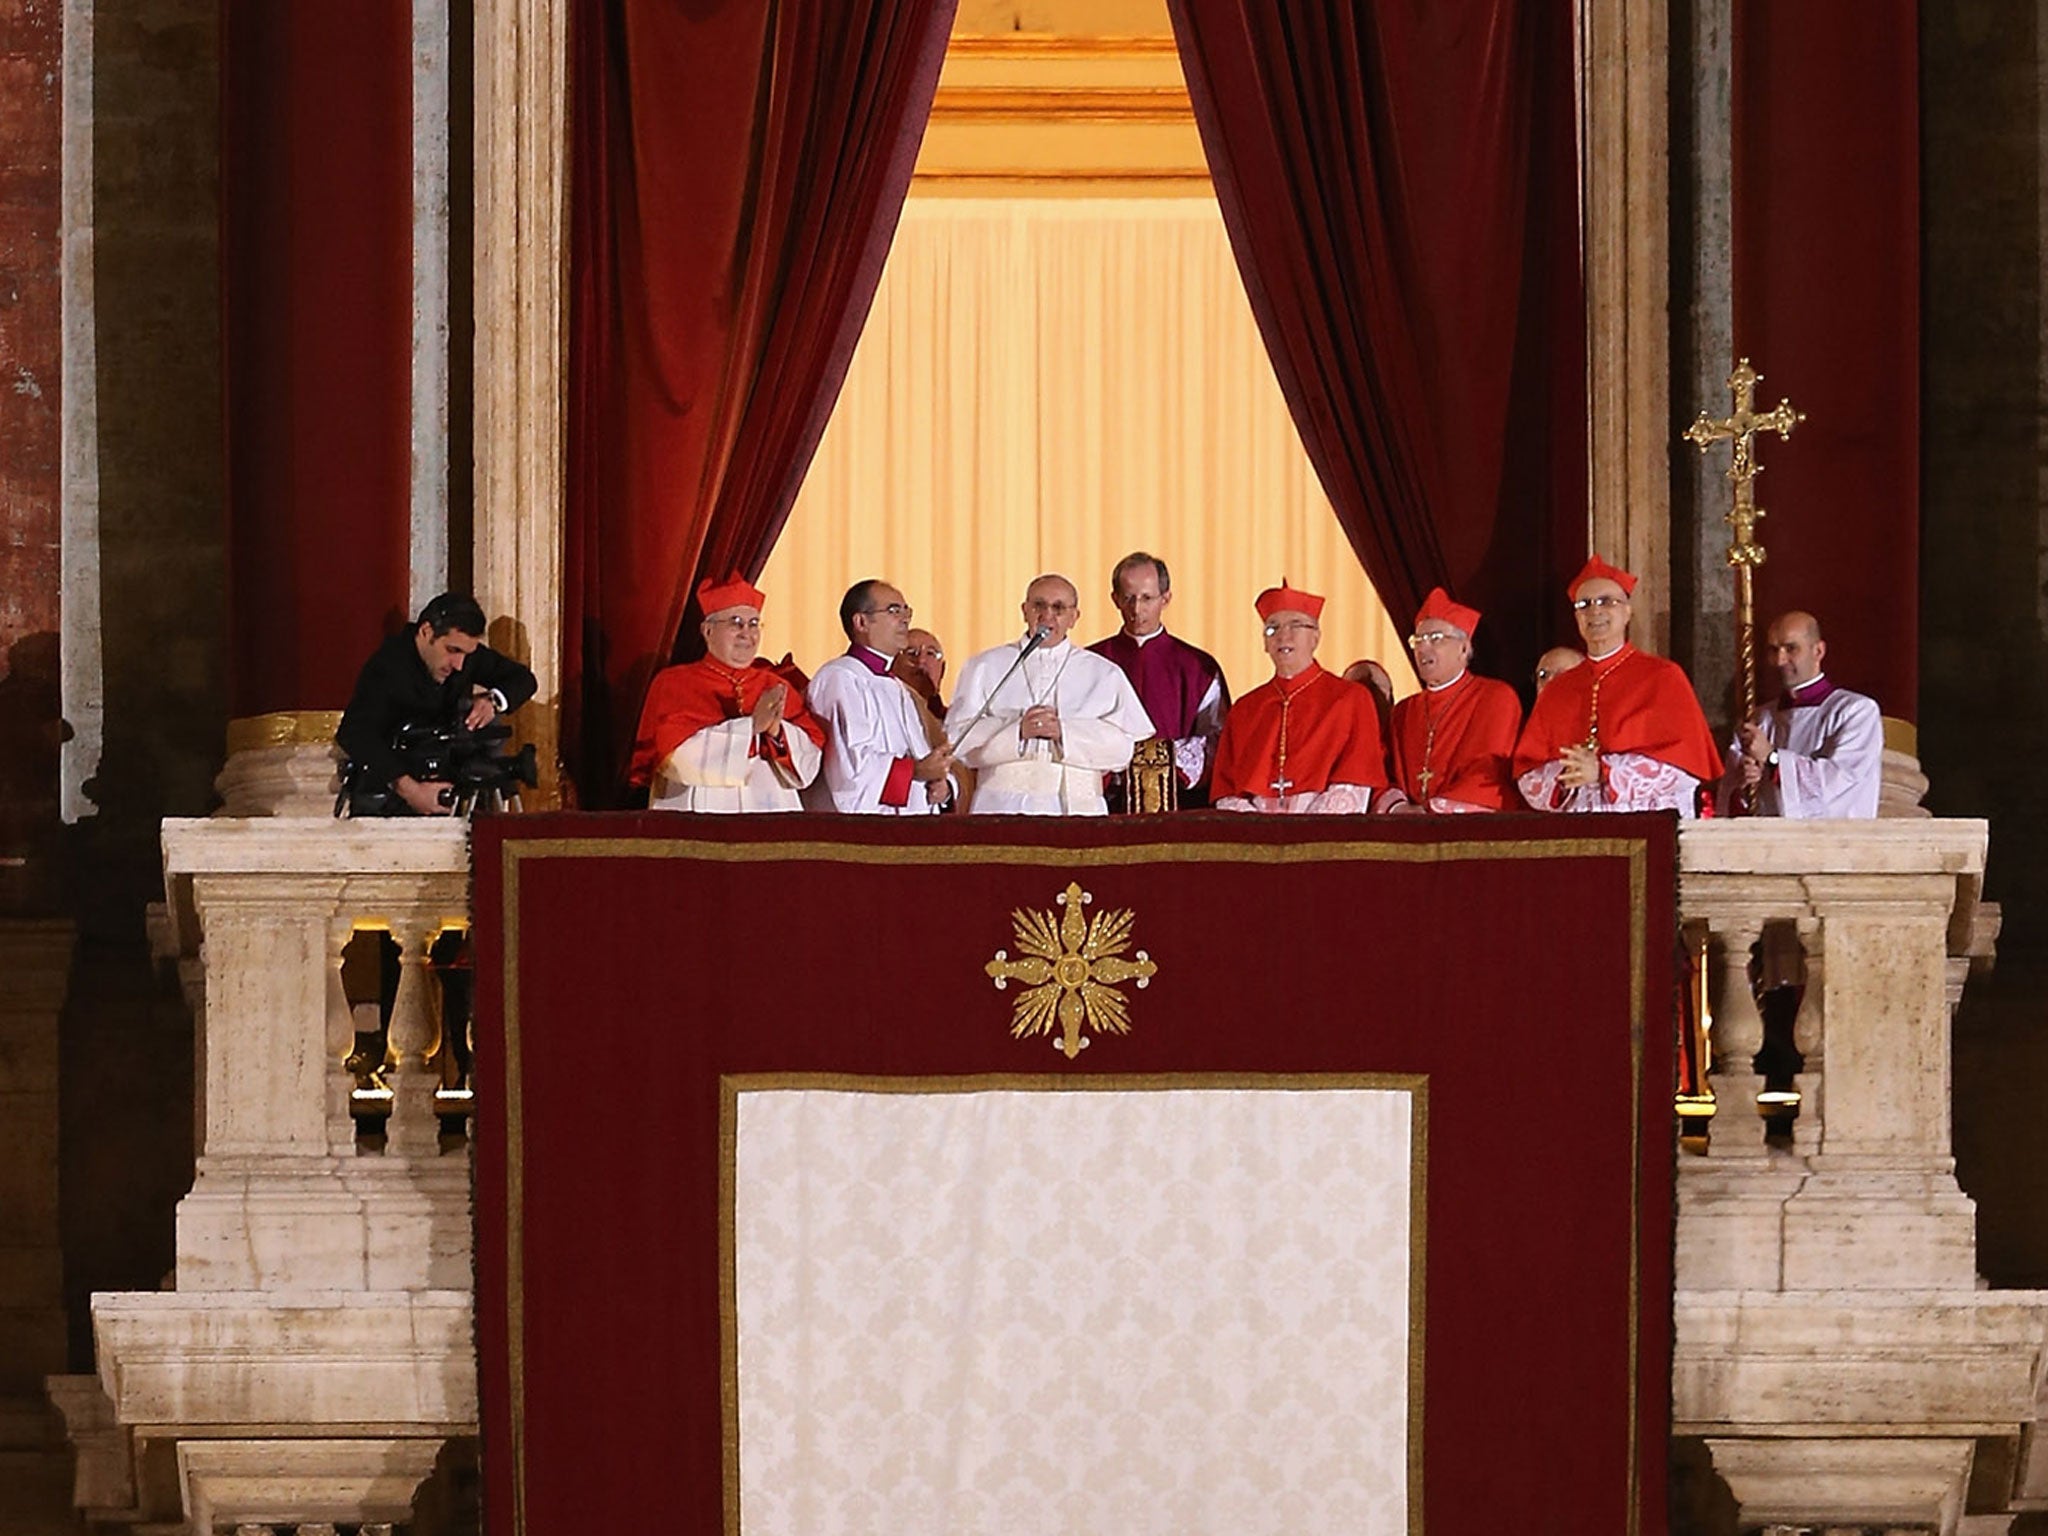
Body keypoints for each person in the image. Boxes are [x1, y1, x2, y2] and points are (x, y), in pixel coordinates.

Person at [1513, 557, 1722, 814]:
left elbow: (1683, 768)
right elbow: (1528, 774)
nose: (1595, 611)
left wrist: (1604, 773)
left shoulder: (1663, 676)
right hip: (1578, 830)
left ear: (1627, 612)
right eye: (1584, 605)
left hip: (1646, 824)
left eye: (1606, 602)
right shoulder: (1558, 689)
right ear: (1576, 617)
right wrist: (1567, 776)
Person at [944, 573, 1155, 816]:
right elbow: (957, 738)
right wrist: (1018, 730)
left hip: (1077, 808)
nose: (1047, 616)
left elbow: (1122, 751)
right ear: (1024, 610)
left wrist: (1063, 732)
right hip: (1001, 806)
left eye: (1058, 608)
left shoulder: (1104, 673)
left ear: (1074, 617)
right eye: (1039, 606)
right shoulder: (985, 666)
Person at [628, 574, 823, 813]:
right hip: (695, 813)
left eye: (754, 624)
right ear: (708, 630)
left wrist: (776, 732)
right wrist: (751, 728)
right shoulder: (675, 682)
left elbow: (810, 761)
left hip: (768, 814)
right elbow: (676, 758)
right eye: (736, 622)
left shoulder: (775, 684)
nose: (746, 633)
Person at [336, 592, 538, 816]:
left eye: (466, 653)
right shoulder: (387, 667)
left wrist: (493, 701)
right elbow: (354, 733)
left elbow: (523, 680)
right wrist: (411, 790)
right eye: (452, 651)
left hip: (448, 792)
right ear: (426, 632)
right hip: (388, 802)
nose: (459, 665)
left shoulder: (464, 654)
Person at [1211, 580, 1391, 813]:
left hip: (1323, 838)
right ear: (1265, 643)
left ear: (1315, 637)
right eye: (1272, 628)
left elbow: (1353, 784)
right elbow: (1227, 792)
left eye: (1295, 625)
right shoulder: (1245, 708)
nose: (1283, 636)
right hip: (1256, 839)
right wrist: (1260, 831)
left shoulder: (1351, 699)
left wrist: (1299, 833)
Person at [1087, 552, 1230, 806]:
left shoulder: (1198, 666)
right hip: (1106, 801)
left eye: (1147, 598)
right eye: (1128, 598)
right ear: (1115, 599)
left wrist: (1158, 761)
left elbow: (1217, 739)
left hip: (1179, 801)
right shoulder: (1091, 662)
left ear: (1166, 598)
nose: (1137, 609)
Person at [805, 581, 957, 815]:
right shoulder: (841, 678)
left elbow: (921, 755)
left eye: (907, 611)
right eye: (894, 610)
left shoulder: (898, 688)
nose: (905, 619)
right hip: (864, 831)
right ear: (861, 622)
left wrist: (941, 786)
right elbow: (850, 768)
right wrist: (915, 772)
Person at [1717, 610, 1883, 818]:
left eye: (1791, 648)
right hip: (1767, 843)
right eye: (1773, 650)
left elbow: (1839, 785)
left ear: (1818, 651)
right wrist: (1742, 783)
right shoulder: (1758, 718)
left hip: (1831, 843)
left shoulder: (1855, 711)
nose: (1779, 660)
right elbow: (1729, 801)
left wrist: (1773, 758)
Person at [1384, 588, 1523, 814]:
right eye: (1417, 640)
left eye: (1435, 639)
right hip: (1407, 828)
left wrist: (1432, 811)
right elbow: (1386, 774)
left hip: (1470, 827)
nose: (1423, 648)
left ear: (1464, 648)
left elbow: (1489, 772)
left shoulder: (1496, 697)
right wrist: (1399, 808)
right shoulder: (1404, 711)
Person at [893, 628, 950, 723]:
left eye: (930, 653)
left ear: (942, 670)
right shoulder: (882, 713)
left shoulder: (953, 722)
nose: (921, 660)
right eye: (911, 653)